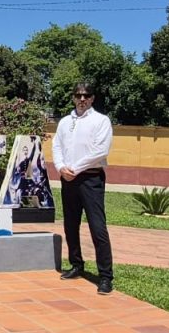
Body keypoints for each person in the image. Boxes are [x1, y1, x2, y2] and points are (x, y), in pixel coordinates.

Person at [52, 82, 115, 295]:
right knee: (71, 224)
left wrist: (75, 168)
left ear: (92, 98)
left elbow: (100, 151)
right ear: (73, 97)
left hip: (91, 179)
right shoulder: (65, 122)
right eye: (78, 95)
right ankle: (76, 264)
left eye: (86, 95)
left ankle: (105, 276)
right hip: (68, 178)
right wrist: (61, 167)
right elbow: (57, 146)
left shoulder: (101, 121)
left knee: (98, 227)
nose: (82, 99)